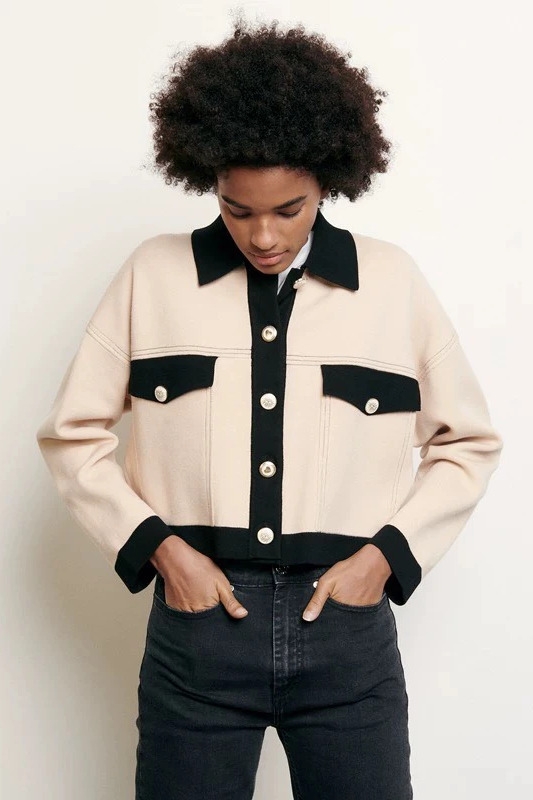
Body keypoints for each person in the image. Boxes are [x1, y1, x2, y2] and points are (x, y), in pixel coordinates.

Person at [35, 15, 503, 800]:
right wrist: (161, 551)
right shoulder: (153, 276)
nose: (261, 235)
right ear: (208, 183)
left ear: (327, 182)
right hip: (198, 633)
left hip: (346, 633)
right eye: (235, 208)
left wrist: (384, 558)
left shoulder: (391, 284)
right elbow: (71, 435)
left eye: (289, 209)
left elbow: (469, 442)